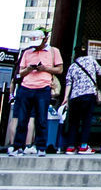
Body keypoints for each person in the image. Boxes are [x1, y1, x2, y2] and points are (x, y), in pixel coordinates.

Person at [8, 27, 62, 156]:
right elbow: (20, 73)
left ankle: (41, 147)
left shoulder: (53, 52)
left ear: (45, 40)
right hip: (26, 87)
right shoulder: (27, 53)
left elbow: (59, 70)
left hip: (43, 88)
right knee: (22, 119)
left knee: (41, 119)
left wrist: (44, 68)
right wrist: (29, 69)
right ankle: (17, 146)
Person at [63, 44, 101, 154]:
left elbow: (68, 82)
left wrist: (65, 98)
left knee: (74, 122)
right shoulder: (91, 60)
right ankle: (83, 146)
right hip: (88, 94)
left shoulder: (72, 66)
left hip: (75, 96)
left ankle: (70, 146)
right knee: (86, 120)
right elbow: (100, 72)